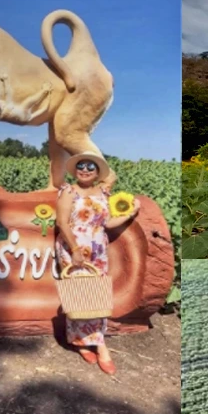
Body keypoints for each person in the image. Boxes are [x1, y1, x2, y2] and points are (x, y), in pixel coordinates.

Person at [54, 152, 140, 375]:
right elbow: (62, 222)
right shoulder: (68, 191)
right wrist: (74, 250)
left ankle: (86, 341)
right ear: (75, 170)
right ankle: (97, 346)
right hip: (73, 249)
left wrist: (131, 214)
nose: (85, 170)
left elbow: (108, 222)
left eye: (90, 167)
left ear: (97, 172)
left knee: (96, 295)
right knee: (80, 294)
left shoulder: (103, 192)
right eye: (81, 166)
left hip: (98, 248)